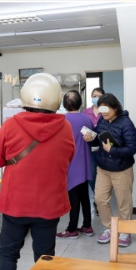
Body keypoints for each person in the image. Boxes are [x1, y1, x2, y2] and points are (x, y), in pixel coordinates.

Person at [0, 73, 74, 270]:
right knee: (45, 257)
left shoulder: (11, 125)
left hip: (15, 204)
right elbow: (68, 158)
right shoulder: (65, 128)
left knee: (8, 255)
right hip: (49, 205)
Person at [82, 93, 136, 246]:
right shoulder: (102, 120)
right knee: (100, 199)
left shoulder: (126, 123)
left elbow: (132, 149)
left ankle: (125, 231)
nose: (104, 112)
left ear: (115, 107)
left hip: (122, 170)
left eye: (106, 109)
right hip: (103, 168)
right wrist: (91, 138)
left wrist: (112, 150)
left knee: (123, 203)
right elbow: (98, 139)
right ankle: (110, 228)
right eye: (101, 109)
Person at [57, 91, 95, 238]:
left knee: (73, 198)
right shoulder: (86, 119)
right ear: (80, 103)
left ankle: (71, 229)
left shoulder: (62, 120)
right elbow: (92, 138)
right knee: (85, 196)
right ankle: (87, 226)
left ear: (64, 105)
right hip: (85, 163)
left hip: (70, 164)